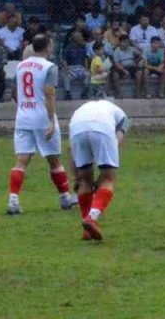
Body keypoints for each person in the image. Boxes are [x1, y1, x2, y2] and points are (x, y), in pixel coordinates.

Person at [7, 35, 75, 215]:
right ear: (47, 47)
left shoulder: (21, 66)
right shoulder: (49, 67)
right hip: (41, 118)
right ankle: (65, 197)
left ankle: (13, 200)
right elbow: (49, 94)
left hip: (22, 117)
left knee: (21, 160)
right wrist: (51, 120)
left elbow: (14, 91)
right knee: (54, 160)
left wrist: (23, 105)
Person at [68, 99, 130, 241]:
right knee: (109, 178)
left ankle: (87, 230)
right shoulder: (119, 114)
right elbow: (119, 134)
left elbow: (70, 150)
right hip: (102, 127)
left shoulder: (80, 111)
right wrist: (103, 176)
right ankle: (91, 218)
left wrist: (77, 178)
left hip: (78, 128)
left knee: (85, 181)